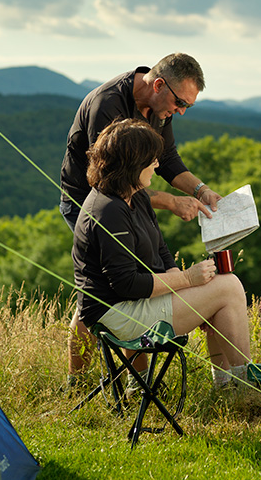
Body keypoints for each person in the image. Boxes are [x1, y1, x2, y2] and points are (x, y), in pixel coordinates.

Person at [60, 53, 223, 377]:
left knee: (140, 275)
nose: (181, 111)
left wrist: (200, 190)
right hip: (89, 200)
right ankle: (77, 378)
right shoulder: (108, 104)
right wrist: (171, 202)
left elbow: (168, 159)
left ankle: (136, 379)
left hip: (127, 197)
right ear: (159, 84)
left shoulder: (161, 106)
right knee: (99, 289)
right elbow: (112, 179)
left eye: (188, 106)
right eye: (180, 103)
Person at [73, 119, 249, 388]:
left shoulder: (135, 195)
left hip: (133, 303)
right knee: (229, 287)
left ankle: (229, 385)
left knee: (220, 287)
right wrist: (187, 280)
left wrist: (188, 290)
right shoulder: (108, 210)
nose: (157, 164)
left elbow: (161, 249)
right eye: (151, 159)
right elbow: (126, 284)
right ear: (133, 164)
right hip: (117, 314)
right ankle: (244, 383)